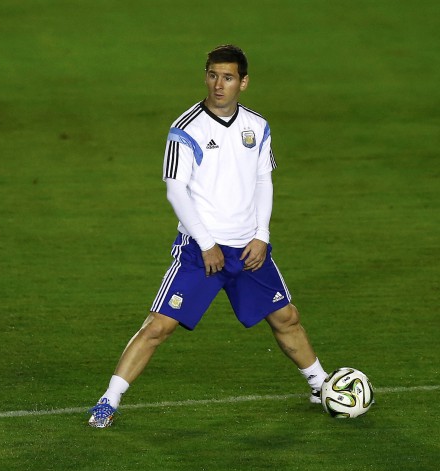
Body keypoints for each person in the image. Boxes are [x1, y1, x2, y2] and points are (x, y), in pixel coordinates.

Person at [88, 45, 328, 428]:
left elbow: (263, 179)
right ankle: (108, 401)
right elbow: (175, 190)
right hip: (202, 251)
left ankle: (321, 385)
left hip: (249, 248)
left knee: (286, 317)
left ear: (243, 83)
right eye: (213, 75)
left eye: (228, 77)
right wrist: (205, 242)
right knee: (157, 327)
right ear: (206, 76)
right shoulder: (186, 129)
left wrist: (262, 235)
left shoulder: (257, 126)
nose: (219, 85)